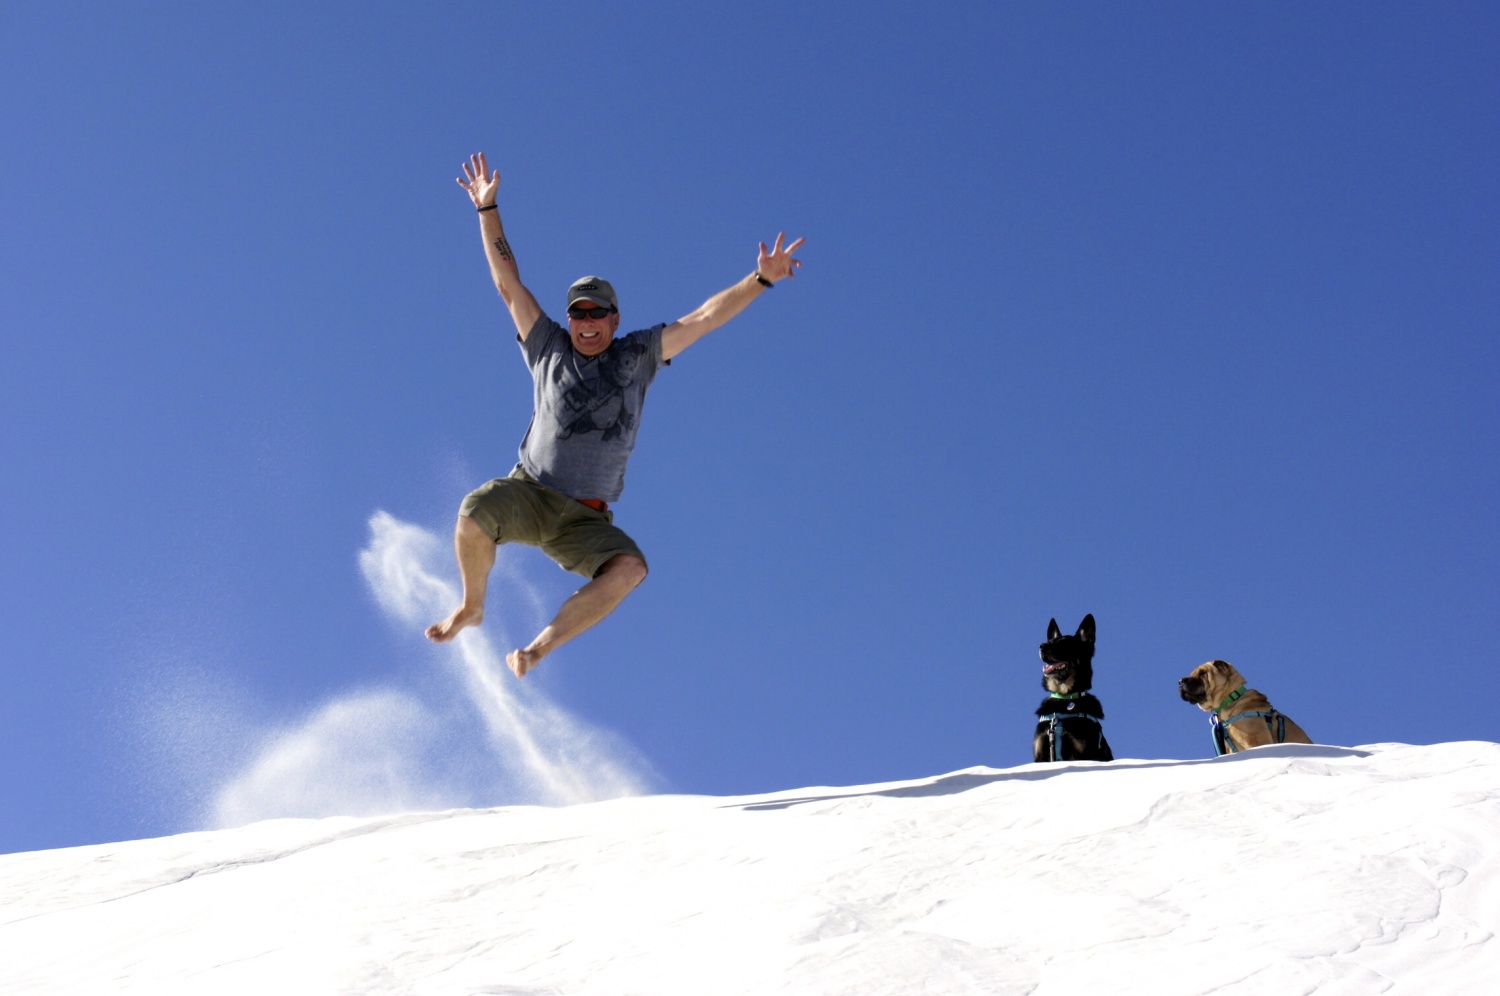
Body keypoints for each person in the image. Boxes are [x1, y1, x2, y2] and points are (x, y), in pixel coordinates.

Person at [426, 152, 805, 678]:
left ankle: (537, 650)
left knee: (630, 568)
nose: (585, 323)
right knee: (473, 513)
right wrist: (487, 209)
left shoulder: (637, 356)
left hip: (586, 518)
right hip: (532, 491)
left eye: (596, 314)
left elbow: (703, 319)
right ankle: (472, 605)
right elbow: (507, 282)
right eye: (577, 312)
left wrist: (758, 281)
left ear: (614, 319)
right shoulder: (547, 347)